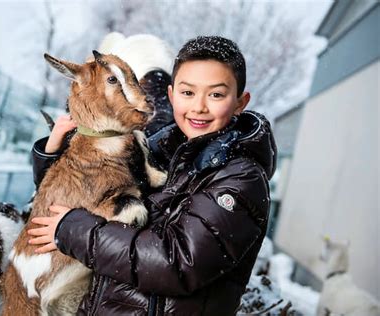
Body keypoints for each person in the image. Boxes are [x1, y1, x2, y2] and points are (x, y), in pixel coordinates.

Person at [28, 35, 277, 315]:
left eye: (216, 94)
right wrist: (50, 155)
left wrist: (76, 232)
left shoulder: (240, 180)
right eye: (187, 93)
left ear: (240, 102)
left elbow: (178, 263)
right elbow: (91, 186)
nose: (199, 107)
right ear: (171, 96)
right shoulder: (162, 150)